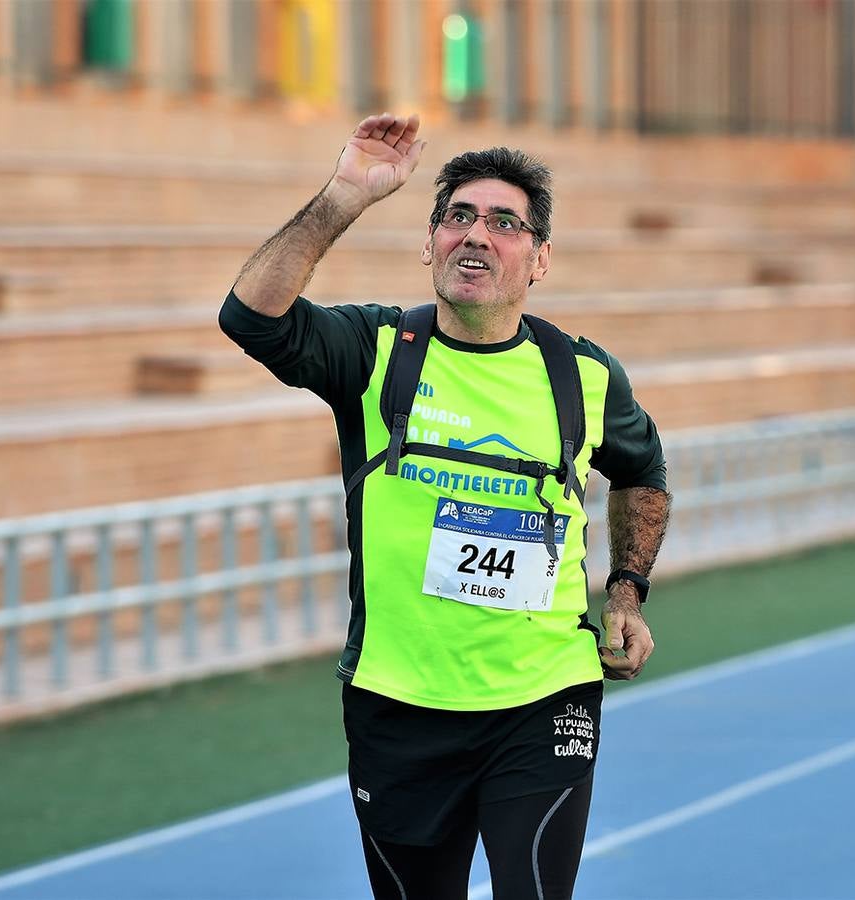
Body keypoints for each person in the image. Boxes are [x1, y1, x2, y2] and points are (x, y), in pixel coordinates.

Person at [218, 112, 670, 900]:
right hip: (399, 703)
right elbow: (249, 317)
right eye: (457, 216)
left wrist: (625, 592)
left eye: (504, 223)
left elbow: (644, 473)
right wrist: (345, 196)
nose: (476, 235)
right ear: (428, 244)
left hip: (542, 695)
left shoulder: (584, 376)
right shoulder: (374, 350)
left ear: (539, 260)